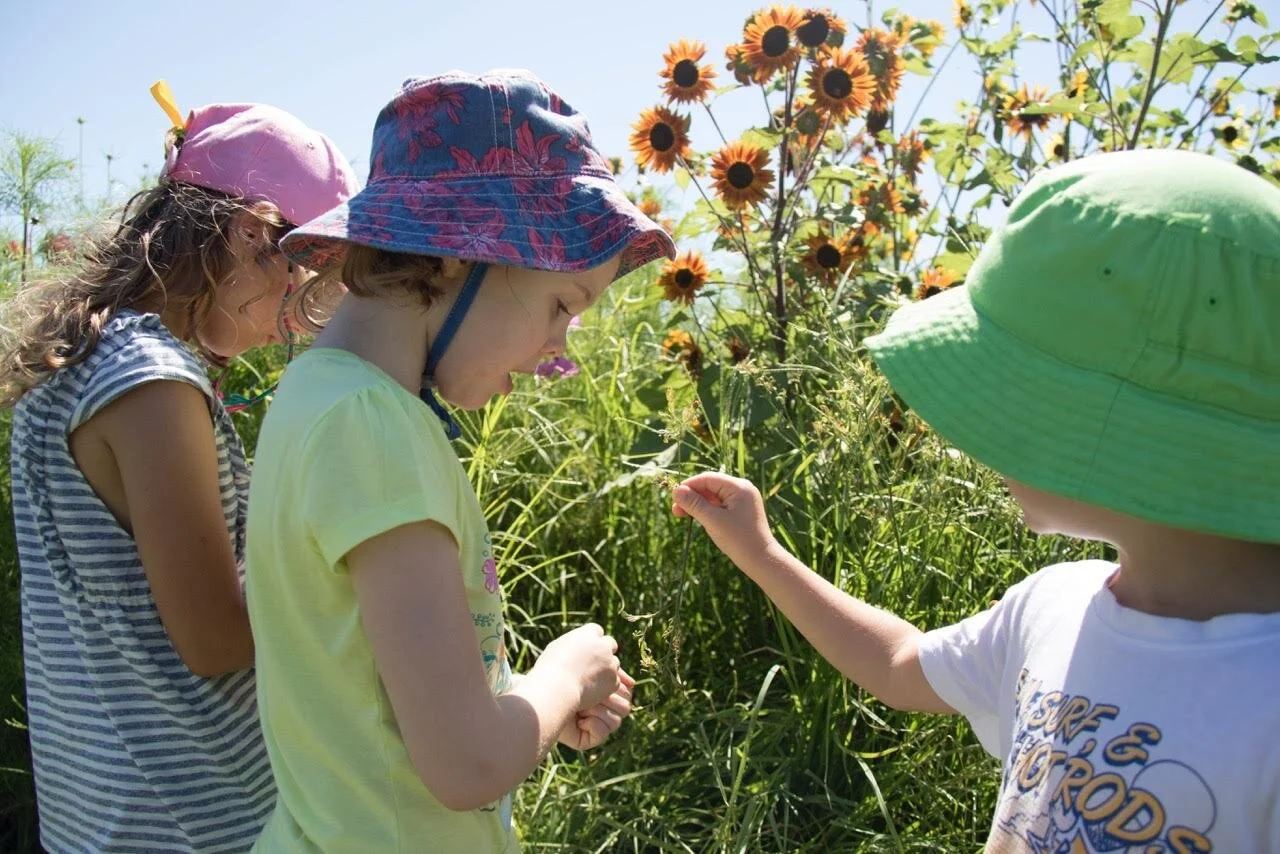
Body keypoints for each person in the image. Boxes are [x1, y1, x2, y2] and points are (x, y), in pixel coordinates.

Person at [671, 149, 1280, 852]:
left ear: (1110, 429)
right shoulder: (1052, 607)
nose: (973, 438)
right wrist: (762, 552)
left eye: (1010, 395)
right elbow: (899, 665)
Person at [243, 69, 675, 853]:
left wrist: (522, 713)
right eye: (561, 306)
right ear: (452, 256)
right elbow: (468, 762)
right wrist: (562, 675)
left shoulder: (318, 400)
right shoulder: (371, 426)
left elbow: (374, 694)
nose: (558, 353)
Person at [1, 91, 358, 852]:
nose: (296, 319)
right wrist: (339, 563)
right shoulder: (152, 381)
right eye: (309, 282)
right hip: (189, 821)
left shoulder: (87, 361)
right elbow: (216, 640)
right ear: (250, 236)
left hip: (104, 805)